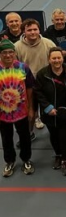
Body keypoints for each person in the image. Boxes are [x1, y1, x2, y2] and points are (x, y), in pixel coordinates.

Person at [34, 47, 66, 176]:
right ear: (49, 59)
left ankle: (65, 160)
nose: (56, 60)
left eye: (59, 58)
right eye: (53, 58)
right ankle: (58, 155)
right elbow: (38, 92)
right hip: (49, 111)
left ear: (62, 58)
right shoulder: (42, 74)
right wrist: (48, 107)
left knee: (64, 135)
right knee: (53, 135)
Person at [15, 18, 56, 137]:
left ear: (39, 30)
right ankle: (29, 133)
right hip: (28, 85)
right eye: (29, 30)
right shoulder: (16, 47)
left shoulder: (48, 43)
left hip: (46, 83)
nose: (33, 32)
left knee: (51, 109)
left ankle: (57, 132)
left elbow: (56, 62)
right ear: (23, 31)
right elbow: (15, 66)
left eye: (35, 29)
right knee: (30, 112)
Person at [0, 39, 35, 177]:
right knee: (6, 138)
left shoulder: (23, 67)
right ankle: (10, 161)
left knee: (25, 137)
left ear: (14, 53)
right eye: (4, 53)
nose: (8, 55)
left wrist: (31, 108)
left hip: (22, 111)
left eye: (10, 52)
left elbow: (30, 88)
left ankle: (26, 159)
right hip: (2, 113)